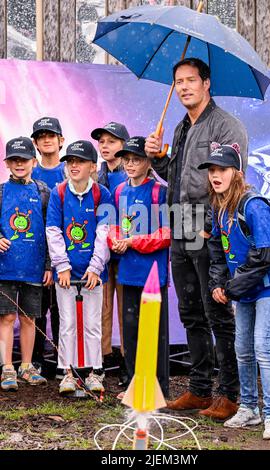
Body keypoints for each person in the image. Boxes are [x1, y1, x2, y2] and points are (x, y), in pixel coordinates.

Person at [145, 57, 248, 418]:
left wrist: (209, 225)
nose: (184, 87)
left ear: (207, 83)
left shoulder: (226, 126)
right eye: (179, 82)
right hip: (181, 225)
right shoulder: (180, 128)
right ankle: (200, 390)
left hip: (211, 230)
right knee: (191, 313)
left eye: (191, 80)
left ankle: (231, 394)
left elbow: (232, 180)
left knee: (217, 313)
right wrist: (157, 158)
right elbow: (175, 178)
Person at [198, 143, 270, 439]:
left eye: (221, 170)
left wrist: (232, 288)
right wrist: (217, 285)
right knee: (242, 349)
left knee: (262, 347)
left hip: (268, 288)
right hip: (243, 291)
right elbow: (219, 254)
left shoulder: (254, 205)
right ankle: (249, 408)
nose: (215, 176)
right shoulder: (219, 208)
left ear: (237, 173)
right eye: (211, 170)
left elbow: (264, 255)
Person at [46, 140, 111, 394]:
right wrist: (61, 265)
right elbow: (53, 230)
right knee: (68, 323)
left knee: (93, 323)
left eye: (80, 161)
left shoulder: (101, 194)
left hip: (92, 274)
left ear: (92, 166)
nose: (74, 165)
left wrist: (96, 267)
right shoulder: (59, 192)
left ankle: (95, 371)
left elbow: (104, 232)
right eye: (70, 161)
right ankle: (68, 372)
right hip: (66, 274)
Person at [108, 136, 171, 398]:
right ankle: (135, 383)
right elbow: (112, 224)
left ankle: (159, 387)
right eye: (127, 160)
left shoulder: (159, 191)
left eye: (137, 159)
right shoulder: (120, 191)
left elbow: (167, 232)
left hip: (154, 273)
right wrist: (116, 241)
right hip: (128, 271)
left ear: (148, 162)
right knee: (131, 330)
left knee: (155, 331)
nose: (131, 164)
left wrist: (135, 242)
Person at [0, 137, 51, 391]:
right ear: (8, 164)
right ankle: (7, 368)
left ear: (34, 161)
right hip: (5, 268)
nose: (19, 164)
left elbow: (52, 229)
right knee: (7, 317)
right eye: (14, 160)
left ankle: (27, 366)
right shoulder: (0, 191)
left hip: (34, 267)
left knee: (29, 317)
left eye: (24, 159)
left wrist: (49, 265)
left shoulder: (43, 192)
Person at [91, 122, 129, 386]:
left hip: (127, 252)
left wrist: (126, 238)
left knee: (126, 310)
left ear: (123, 146)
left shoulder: (133, 175)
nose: (105, 146)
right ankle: (101, 362)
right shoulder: (95, 176)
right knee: (102, 308)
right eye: (102, 142)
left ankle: (128, 363)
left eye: (111, 142)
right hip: (102, 253)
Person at [31, 116, 66, 371]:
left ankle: (64, 360)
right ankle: (39, 360)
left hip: (68, 250)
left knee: (62, 309)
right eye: (41, 136)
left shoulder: (71, 170)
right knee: (39, 306)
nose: (46, 139)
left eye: (50, 135)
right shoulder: (29, 173)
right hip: (37, 251)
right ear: (35, 143)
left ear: (61, 140)